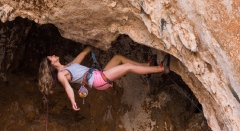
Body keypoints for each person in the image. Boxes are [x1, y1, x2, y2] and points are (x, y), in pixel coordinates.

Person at [38, 46, 170, 111]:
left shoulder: (69, 65)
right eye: (51, 58)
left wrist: (92, 45)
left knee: (118, 58)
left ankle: (147, 66)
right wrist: (73, 101)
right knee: (128, 67)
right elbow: (68, 87)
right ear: (51, 64)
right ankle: (161, 69)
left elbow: (84, 53)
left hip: (99, 75)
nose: (53, 55)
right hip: (98, 80)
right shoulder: (62, 74)